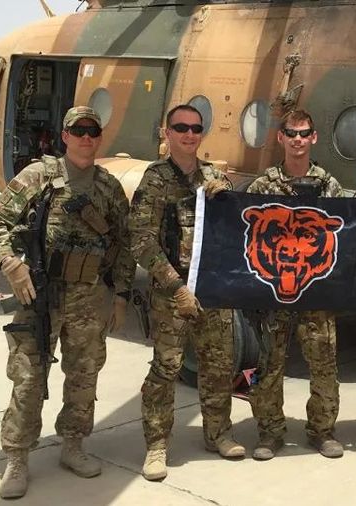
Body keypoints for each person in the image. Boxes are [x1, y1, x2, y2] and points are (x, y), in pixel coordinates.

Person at [0, 106, 135, 499]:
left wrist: (119, 296)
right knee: (29, 378)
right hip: (41, 293)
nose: (86, 137)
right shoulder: (38, 177)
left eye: (93, 130)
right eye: (78, 130)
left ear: (100, 137)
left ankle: (73, 445)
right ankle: (17, 457)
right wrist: (12, 267)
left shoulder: (108, 187)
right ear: (64, 136)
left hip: (89, 295)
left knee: (83, 377)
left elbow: (124, 245)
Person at [129, 104, 238, 481]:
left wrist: (228, 197)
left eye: (195, 128)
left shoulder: (214, 176)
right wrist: (176, 287)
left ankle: (218, 433)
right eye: (181, 128)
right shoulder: (155, 180)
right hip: (171, 294)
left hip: (211, 290)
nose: (189, 134)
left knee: (219, 366)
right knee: (167, 368)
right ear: (167, 132)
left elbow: (233, 234)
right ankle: (157, 445)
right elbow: (141, 241)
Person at [244, 109, 345, 460]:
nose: (298, 139)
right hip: (274, 293)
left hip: (316, 292)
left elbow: (344, 233)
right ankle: (269, 433)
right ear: (281, 137)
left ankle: (322, 431)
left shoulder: (329, 184)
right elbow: (245, 234)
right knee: (270, 364)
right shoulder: (263, 185)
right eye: (292, 133)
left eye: (304, 133)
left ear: (314, 137)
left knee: (324, 363)